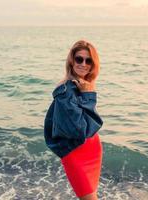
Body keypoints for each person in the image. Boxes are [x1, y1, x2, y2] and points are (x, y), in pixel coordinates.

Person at [44, 40, 103, 200]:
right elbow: (81, 129)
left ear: (93, 64)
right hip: (76, 152)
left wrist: (87, 93)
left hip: (92, 149)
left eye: (88, 60)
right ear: (71, 60)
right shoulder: (66, 90)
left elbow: (88, 121)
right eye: (79, 59)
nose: (83, 64)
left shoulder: (84, 85)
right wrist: (89, 97)